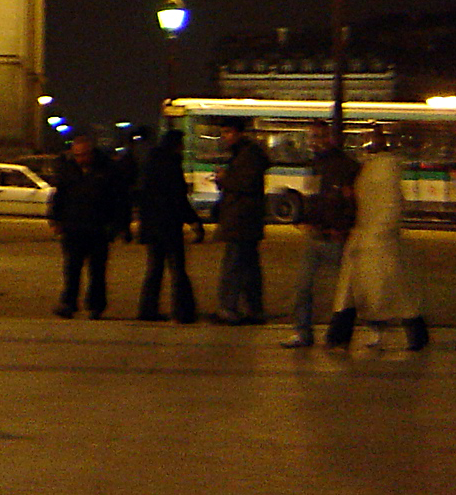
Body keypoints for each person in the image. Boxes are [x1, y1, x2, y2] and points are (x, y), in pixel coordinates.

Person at [329, 123, 428, 350]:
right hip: (370, 237)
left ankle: (346, 333)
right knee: (372, 290)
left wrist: (379, 230)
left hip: (374, 239)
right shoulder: (377, 167)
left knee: (377, 290)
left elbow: (390, 204)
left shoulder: (381, 168)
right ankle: (343, 333)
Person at [282, 118, 359, 347]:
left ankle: (346, 332)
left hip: (335, 237)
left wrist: (343, 227)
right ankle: (303, 332)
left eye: (320, 136)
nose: (315, 142)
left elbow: (352, 202)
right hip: (316, 234)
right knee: (303, 287)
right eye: (312, 137)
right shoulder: (315, 165)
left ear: (332, 138)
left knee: (348, 289)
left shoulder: (345, 166)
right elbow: (316, 199)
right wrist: (303, 218)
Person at [48, 131, 128, 318]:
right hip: (73, 227)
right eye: (77, 155)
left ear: (91, 152)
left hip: (98, 228)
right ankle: (69, 303)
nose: (80, 159)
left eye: (83, 155)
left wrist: (117, 226)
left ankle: (95, 306)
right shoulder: (68, 170)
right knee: (71, 269)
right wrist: (55, 220)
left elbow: (119, 200)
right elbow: (59, 196)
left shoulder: (107, 170)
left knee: (97, 272)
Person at [136, 128, 204, 323]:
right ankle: (183, 311)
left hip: (152, 225)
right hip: (168, 224)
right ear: (176, 145)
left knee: (154, 269)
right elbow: (178, 198)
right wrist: (193, 221)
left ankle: (147, 310)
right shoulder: (172, 164)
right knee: (178, 269)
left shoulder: (151, 163)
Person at [210, 117, 270, 324]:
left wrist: (224, 178)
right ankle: (253, 309)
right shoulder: (246, 154)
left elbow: (245, 183)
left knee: (234, 266)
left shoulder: (247, 155)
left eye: (227, 132)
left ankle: (228, 309)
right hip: (246, 220)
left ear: (239, 133)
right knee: (248, 267)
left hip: (241, 220)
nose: (224, 137)